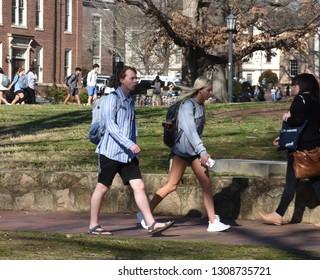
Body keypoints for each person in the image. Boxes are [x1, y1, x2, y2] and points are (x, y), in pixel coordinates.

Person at [137, 76, 231, 232]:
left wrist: (200, 151)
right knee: (171, 185)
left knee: (206, 184)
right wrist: (202, 151)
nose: (211, 93)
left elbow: (196, 134)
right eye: (208, 90)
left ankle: (213, 221)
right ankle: (143, 213)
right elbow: (190, 131)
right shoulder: (188, 106)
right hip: (182, 152)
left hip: (194, 152)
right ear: (200, 90)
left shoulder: (200, 106)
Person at [89, 66, 174, 235]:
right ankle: (93, 225)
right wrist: (129, 144)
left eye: (136, 78)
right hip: (110, 152)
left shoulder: (130, 101)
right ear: (121, 80)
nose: (135, 81)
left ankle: (150, 223)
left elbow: (130, 126)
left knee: (139, 185)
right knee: (102, 188)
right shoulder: (111, 99)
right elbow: (111, 127)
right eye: (132, 78)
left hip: (127, 155)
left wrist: (132, 144)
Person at [259, 73, 320, 228]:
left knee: (291, 182)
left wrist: (286, 117)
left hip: (299, 150)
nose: (293, 87)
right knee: (316, 181)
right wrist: (283, 138)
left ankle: (278, 215)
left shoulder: (299, 100)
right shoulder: (315, 101)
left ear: (303, 85)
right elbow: (307, 125)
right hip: (314, 147)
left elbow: (297, 122)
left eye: (296, 84)